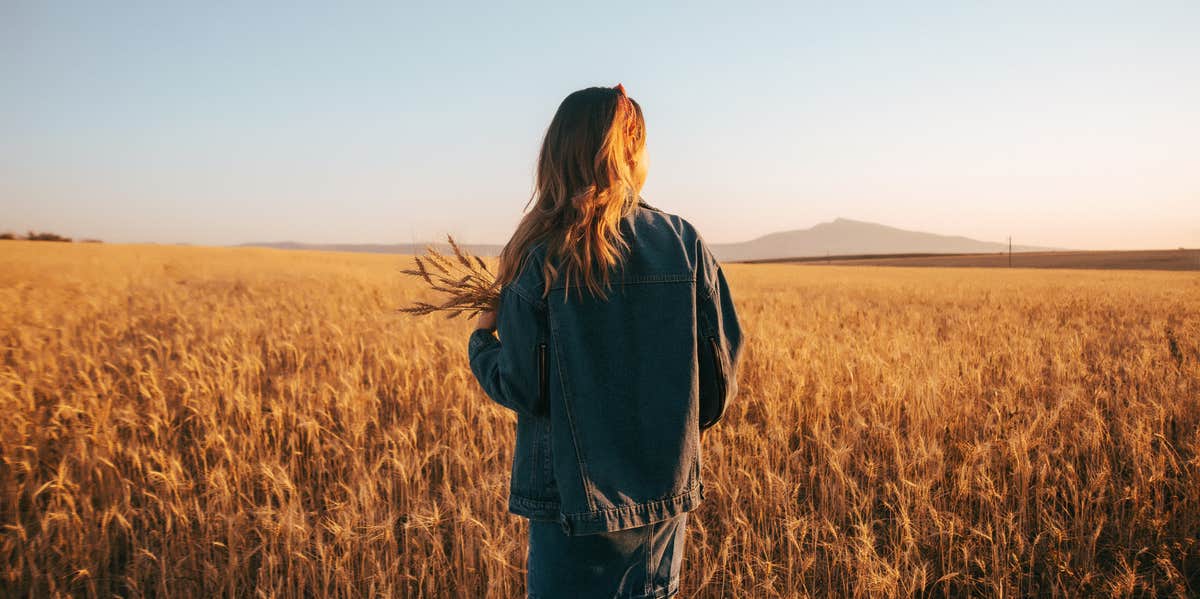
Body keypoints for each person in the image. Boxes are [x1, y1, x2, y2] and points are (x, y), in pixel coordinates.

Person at [466, 84, 744, 599]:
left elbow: (524, 387)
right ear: (630, 151)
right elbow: (716, 389)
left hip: (570, 507)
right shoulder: (686, 245)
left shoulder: (539, 257)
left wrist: (482, 340)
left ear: (557, 155)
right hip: (662, 502)